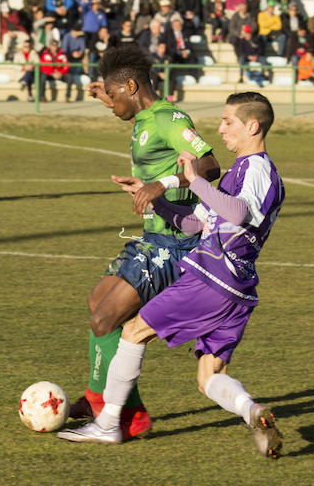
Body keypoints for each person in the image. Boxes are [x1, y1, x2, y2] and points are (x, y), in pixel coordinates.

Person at [58, 91, 285, 460]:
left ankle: (108, 424)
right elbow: (196, 222)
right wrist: (154, 199)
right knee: (209, 377)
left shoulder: (257, 169)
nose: (220, 129)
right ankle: (253, 412)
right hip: (237, 290)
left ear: (253, 126)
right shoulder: (239, 173)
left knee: (132, 332)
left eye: (229, 121)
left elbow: (238, 215)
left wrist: (194, 179)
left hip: (213, 277)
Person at [66, 44, 220, 441]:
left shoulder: (170, 118)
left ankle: (114, 412)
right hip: (153, 237)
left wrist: (161, 184)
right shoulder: (145, 115)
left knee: (105, 319)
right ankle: (104, 399)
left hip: (174, 244)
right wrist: (107, 95)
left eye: (114, 95)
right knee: (97, 303)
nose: (110, 104)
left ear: (132, 86)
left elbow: (209, 165)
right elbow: (140, 120)